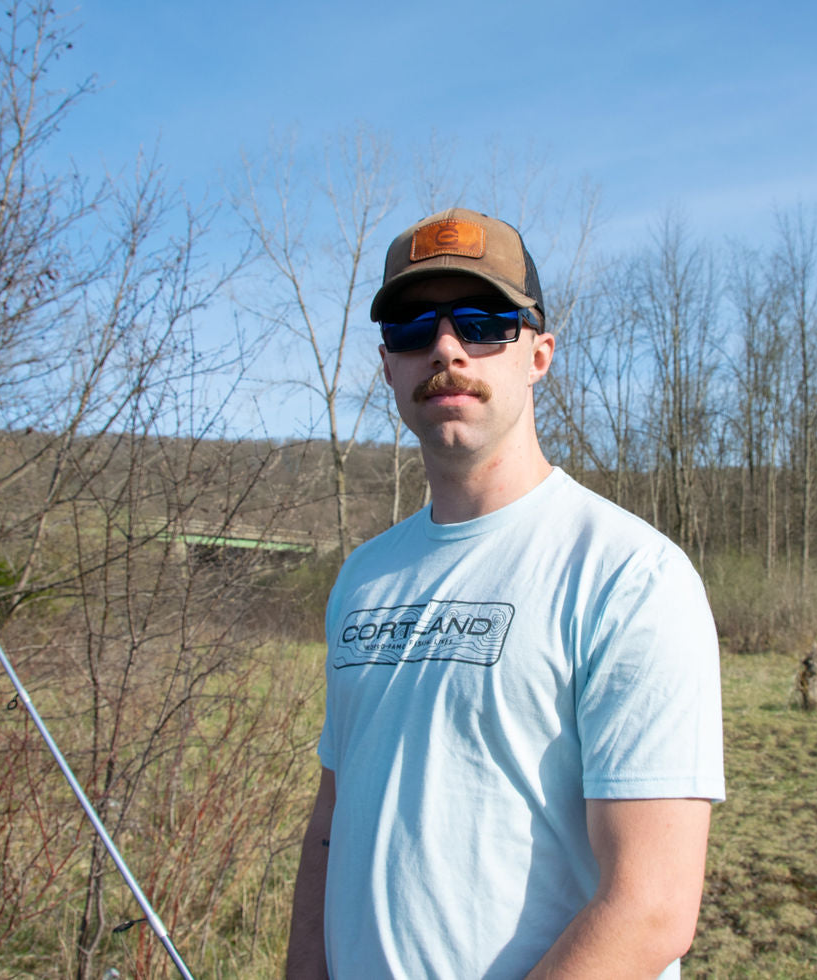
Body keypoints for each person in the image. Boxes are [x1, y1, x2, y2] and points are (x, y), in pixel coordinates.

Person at [286, 208, 725, 979]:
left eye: (485, 323)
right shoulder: (364, 578)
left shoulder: (629, 577)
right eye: (413, 328)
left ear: (539, 356)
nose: (446, 348)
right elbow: (332, 824)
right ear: (388, 365)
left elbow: (650, 908)